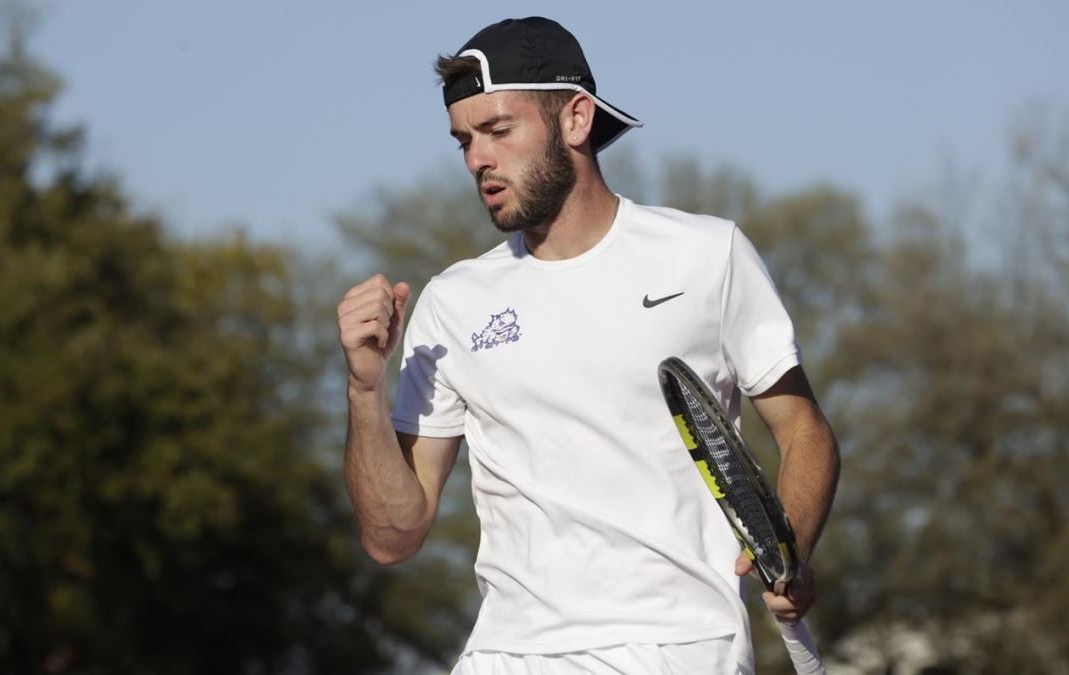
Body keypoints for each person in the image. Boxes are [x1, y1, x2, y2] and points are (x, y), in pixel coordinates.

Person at [337, 16, 839, 675]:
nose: (476, 160)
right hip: (505, 654)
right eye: (463, 141)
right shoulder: (453, 302)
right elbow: (391, 536)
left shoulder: (707, 255)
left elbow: (805, 431)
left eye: (497, 130)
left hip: (678, 646)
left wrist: (789, 546)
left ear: (576, 119)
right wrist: (365, 388)